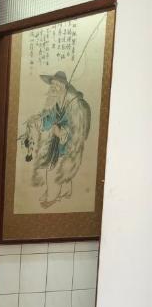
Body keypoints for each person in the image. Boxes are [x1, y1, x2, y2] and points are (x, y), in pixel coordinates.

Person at [19, 70, 92, 208]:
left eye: (55, 85)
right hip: (55, 144)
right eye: (51, 85)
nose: (52, 88)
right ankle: (60, 191)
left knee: (58, 170)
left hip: (69, 145)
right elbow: (49, 120)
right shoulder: (56, 104)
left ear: (63, 87)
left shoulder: (75, 106)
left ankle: (53, 195)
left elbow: (76, 130)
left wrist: (62, 132)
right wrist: (37, 122)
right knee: (51, 166)